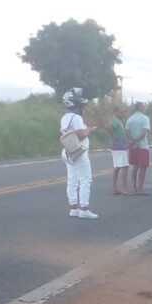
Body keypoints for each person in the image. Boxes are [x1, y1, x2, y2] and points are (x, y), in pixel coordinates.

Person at [60, 88, 99, 219]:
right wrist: (89, 130)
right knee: (85, 179)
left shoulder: (65, 117)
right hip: (79, 153)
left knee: (72, 180)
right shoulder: (76, 117)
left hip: (68, 152)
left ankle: (74, 208)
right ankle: (84, 208)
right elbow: (81, 135)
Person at [126, 102, 151, 195]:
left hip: (133, 146)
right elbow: (144, 132)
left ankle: (134, 187)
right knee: (143, 167)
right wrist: (138, 141)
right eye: (144, 106)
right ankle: (140, 188)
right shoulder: (145, 118)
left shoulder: (130, 119)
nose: (145, 108)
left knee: (135, 166)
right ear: (140, 107)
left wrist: (132, 141)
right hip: (142, 145)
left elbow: (127, 131)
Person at [108, 105, 129, 195]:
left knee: (117, 166)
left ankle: (114, 188)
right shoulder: (114, 120)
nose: (123, 113)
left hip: (119, 145)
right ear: (116, 112)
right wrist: (114, 137)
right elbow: (108, 127)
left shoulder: (118, 121)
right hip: (119, 145)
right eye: (121, 112)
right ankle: (124, 188)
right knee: (124, 166)